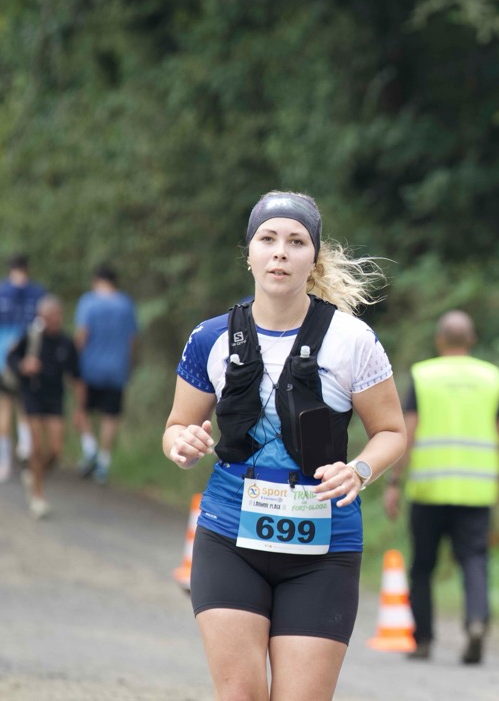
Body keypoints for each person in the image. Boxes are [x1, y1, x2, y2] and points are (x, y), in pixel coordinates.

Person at [162, 190, 407, 701]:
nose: (280, 252)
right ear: (249, 254)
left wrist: (359, 470)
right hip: (230, 533)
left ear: (313, 258)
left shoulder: (352, 340)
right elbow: (177, 426)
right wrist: (181, 442)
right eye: (268, 239)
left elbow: (391, 432)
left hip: (323, 545)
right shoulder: (210, 338)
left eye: (296, 242)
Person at [381, 310, 499, 665]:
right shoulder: (491, 377)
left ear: (439, 340)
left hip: (429, 489)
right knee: (474, 560)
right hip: (477, 490)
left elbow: (407, 431)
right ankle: (476, 622)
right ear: (471, 340)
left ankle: (423, 641)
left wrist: (394, 482)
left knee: (423, 566)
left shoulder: (423, 376)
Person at [7, 295, 80, 519]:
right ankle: (38, 496)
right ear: (42, 317)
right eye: (50, 316)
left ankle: (34, 474)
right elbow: (11, 357)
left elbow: (76, 375)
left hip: (55, 399)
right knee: (36, 446)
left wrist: (79, 407)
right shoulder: (31, 337)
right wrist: (23, 365)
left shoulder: (65, 342)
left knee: (56, 450)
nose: (55, 320)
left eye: (57, 315)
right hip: (32, 395)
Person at [72, 263, 138, 484]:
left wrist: (73, 362)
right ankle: (103, 461)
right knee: (110, 416)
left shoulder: (88, 302)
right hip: (117, 368)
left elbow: (82, 334)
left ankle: (89, 447)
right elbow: (132, 340)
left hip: (89, 367)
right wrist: (129, 366)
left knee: (82, 409)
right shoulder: (126, 304)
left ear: (96, 280)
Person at [0, 254, 45, 482]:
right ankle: (24, 453)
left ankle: (4, 462)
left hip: (0, 356)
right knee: (25, 406)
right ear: (28, 268)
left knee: (4, 406)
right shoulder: (37, 292)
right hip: (27, 357)